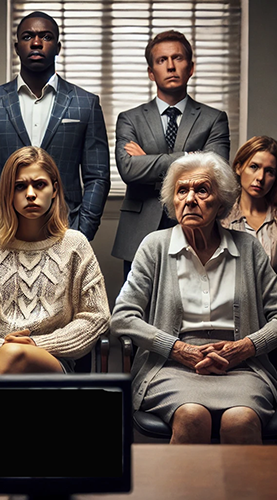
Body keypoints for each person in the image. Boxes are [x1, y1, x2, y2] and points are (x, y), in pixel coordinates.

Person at [111, 151, 277, 444]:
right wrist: (177, 349)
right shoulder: (155, 246)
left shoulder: (248, 248)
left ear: (221, 201)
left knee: (242, 420)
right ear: (172, 200)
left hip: (241, 367)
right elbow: (123, 318)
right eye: (182, 191)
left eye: (201, 190)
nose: (190, 199)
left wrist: (246, 347)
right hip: (170, 367)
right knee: (192, 416)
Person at [0, 146, 110, 426]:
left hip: (53, 364)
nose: (30, 193)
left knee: (13, 357)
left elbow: (96, 317)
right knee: (6, 369)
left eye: (39, 184)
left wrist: (35, 345)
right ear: (9, 193)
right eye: (20, 186)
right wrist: (0, 347)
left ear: (54, 189)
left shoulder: (75, 245)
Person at [0, 11, 110, 241]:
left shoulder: (86, 104)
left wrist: (82, 231)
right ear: (16, 47)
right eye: (27, 37)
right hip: (5, 232)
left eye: (45, 36)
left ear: (58, 47)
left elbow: (98, 177)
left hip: (66, 230)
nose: (36, 42)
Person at [112, 30, 230, 276]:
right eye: (161, 60)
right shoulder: (129, 119)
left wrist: (147, 160)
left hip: (197, 228)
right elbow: (128, 169)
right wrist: (189, 157)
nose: (171, 66)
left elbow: (214, 171)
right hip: (139, 232)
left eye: (178, 58)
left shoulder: (214, 119)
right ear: (151, 72)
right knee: (136, 310)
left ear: (191, 67)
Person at [222, 136, 277, 271]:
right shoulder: (221, 218)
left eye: (269, 171)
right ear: (239, 167)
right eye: (254, 167)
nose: (260, 178)